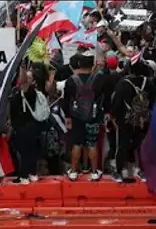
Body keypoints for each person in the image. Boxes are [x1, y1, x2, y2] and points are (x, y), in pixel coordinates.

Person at [62, 51, 107, 181]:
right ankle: (94, 172)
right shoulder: (99, 79)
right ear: (92, 64)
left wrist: (68, 117)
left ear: (79, 64)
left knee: (77, 144)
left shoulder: (71, 80)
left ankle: (74, 171)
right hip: (94, 117)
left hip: (76, 117)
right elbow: (104, 99)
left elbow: (66, 101)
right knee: (92, 144)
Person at [111, 60, 156, 182]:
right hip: (143, 120)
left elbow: (116, 102)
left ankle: (119, 171)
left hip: (125, 120)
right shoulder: (149, 83)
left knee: (122, 145)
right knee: (141, 145)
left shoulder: (123, 83)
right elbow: (152, 102)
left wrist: (113, 116)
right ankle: (141, 170)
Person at [10, 68, 45, 184]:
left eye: (28, 77)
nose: (24, 78)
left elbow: (24, 82)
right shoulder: (17, 91)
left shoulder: (30, 92)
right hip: (23, 126)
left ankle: (24, 175)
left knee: (26, 151)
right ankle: (32, 173)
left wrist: (22, 67)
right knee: (29, 151)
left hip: (26, 126)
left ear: (33, 81)